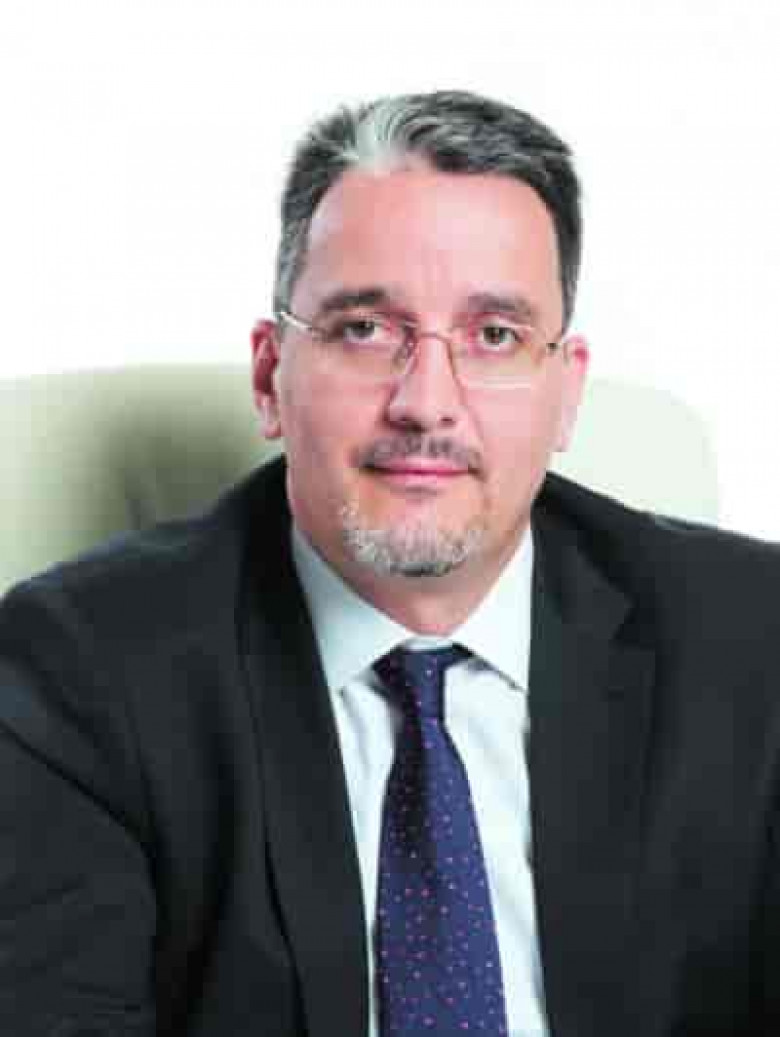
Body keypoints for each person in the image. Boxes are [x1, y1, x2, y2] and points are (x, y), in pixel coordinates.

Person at [0, 89, 778, 1037]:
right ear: (270, 376)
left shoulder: (753, 640)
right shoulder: (77, 677)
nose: (426, 403)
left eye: (494, 335)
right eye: (366, 328)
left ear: (565, 393)